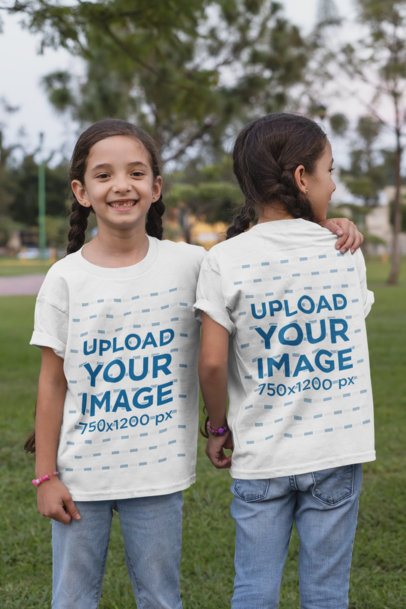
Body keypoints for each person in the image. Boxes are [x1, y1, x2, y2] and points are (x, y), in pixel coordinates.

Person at [195, 113, 375, 609]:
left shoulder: (223, 258)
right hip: (336, 452)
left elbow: (210, 365)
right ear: (301, 177)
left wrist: (217, 428)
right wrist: (328, 229)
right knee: (326, 593)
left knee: (253, 590)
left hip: (260, 456)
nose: (334, 187)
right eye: (330, 171)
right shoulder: (344, 252)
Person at [29, 118, 205, 609]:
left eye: (135, 172)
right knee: (72, 600)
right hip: (79, 479)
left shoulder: (190, 264)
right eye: (104, 175)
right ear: (82, 192)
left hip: (158, 476)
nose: (122, 185)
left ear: (155, 187)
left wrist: (328, 228)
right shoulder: (65, 278)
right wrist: (46, 477)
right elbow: (51, 385)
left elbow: (258, 256)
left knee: (161, 599)